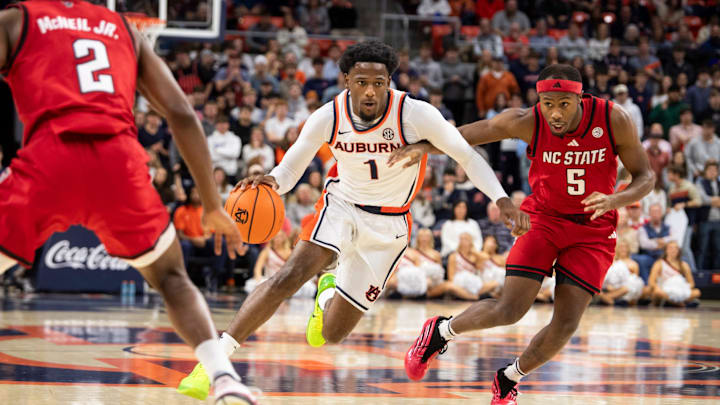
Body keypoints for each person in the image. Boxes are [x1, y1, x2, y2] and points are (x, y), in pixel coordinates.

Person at [177, 40, 528, 399]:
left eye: (379, 82)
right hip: (341, 206)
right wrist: (271, 180)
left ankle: (326, 291)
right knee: (288, 276)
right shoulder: (328, 116)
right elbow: (293, 166)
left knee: (333, 333)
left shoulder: (416, 114)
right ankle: (215, 363)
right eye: (361, 82)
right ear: (346, 80)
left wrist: (501, 199)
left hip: (389, 227)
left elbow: (465, 156)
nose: (370, 91)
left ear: (390, 81)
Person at [0, 1, 253, 403]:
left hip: (51, 158)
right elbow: (182, 113)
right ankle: (224, 378)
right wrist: (211, 204)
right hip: (118, 164)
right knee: (172, 279)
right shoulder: (123, 28)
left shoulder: (18, 19)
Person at [392, 64, 654, 404]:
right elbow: (470, 133)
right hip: (543, 219)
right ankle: (440, 332)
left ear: (581, 99)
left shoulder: (613, 118)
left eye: (563, 104)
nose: (555, 113)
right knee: (510, 309)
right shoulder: (527, 120)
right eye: (547, 103)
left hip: (594, 226)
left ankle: (509, 377)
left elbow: (646, 177)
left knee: (565, 324)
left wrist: (616, 199)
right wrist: (424, 147)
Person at [243, 230, 316, 298]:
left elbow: (296, 269)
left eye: (280, 237)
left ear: (284, 238)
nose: (278, 239)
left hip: (285, 280)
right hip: (270, 279)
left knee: (308, 287)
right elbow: (257, 268)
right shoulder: (267, 251)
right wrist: (258, 279)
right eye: (276, 237)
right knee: (253, 285)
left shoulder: (290, 252)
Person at [648, 241, 701, 306]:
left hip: (679, 290)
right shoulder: (659, 263)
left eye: (676, 248)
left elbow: (691, 283)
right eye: (671, 248)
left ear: (679, 251)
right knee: (656, 292)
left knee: (697, 292)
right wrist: (657, 287)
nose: (673, 250)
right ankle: (679, 303)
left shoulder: (684, 265)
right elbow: (651, 281)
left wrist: (683, 288)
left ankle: (671, 302)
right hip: (664, 289)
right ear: (666, 250)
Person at [597, 241, 647, 306]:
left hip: (623, 289)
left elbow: (634, 281)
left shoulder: (634, 264)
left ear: (628, 249)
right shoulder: (612, 261)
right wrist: (608, 286)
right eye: (621, 247)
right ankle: (608, 299)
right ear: (617, 249)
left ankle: (607, 298)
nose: (623, 249)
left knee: (629, 287)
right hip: (608, 286)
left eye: (625, 247)